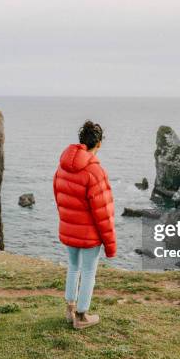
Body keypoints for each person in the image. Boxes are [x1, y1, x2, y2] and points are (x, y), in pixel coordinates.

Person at [53, 120, 116, 329]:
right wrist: (110, 244)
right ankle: (81, 317)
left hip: (69, 228)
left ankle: (70, 310)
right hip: (89, 234)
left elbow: (59, 197)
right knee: (89, 272)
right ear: (98, 144)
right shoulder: (95, 172)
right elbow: (104, 213)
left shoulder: (62, 167)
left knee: (73, 267)